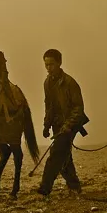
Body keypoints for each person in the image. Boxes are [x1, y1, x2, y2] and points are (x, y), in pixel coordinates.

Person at [36, 49, 89, 198]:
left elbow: (78, 108)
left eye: (51, 64)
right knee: (64, 155)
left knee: (56, 153)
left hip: (71, 124)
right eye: (46, 65)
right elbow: (49, 106)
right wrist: (46, 126)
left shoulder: (70, 83)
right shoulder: (47, 83)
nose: (48, 68)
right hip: (57, 125)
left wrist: (68, 125)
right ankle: (74, 186)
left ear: (59, 63)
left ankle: (44, 189)